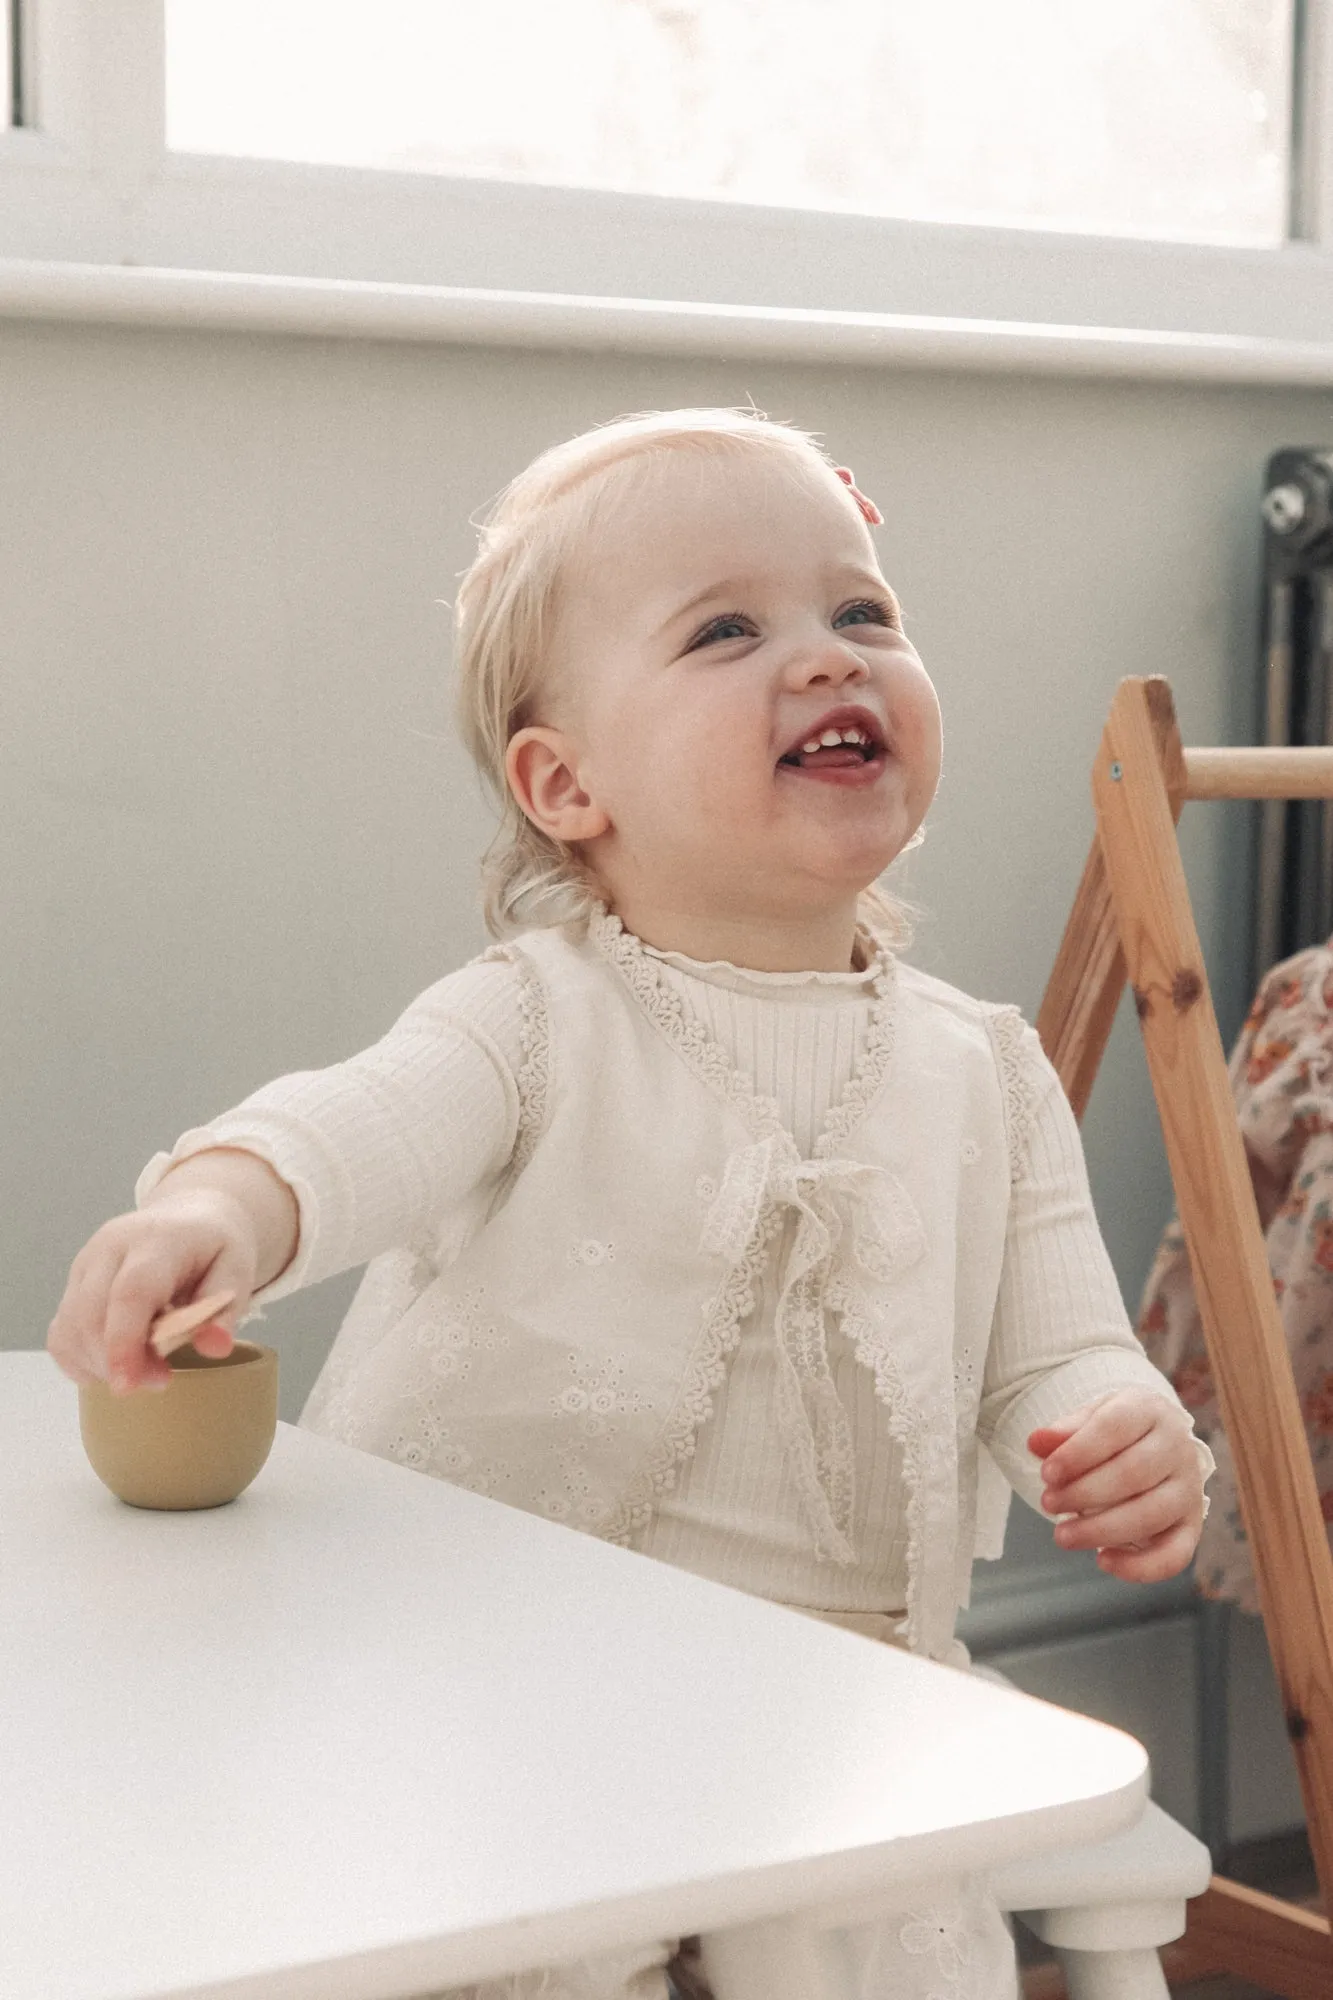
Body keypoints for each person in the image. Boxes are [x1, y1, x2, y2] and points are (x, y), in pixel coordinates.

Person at [47, 406, 1214, 2000]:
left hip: (837, 1701)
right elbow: (354, 1129)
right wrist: (223, 1209)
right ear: (564, 783)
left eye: (861, 610)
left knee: (883, 1948)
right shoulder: (534, 1018)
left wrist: (1122, 1427)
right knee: (519, 1952)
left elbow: (1055, 1353)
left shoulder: (984, 1071)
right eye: (727, 630)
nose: (825, 658)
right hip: (499, 1680)